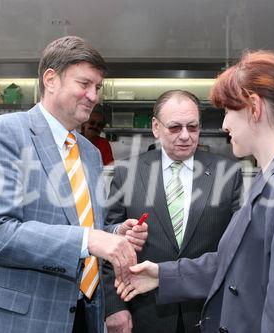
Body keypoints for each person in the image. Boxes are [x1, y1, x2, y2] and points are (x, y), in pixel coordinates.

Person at [117, 51, 274, 333]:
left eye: (227, 110)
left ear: (254, 108)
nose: (224, 124)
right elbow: (238, 264)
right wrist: (163, 274)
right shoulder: (273, 179)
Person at [0, 36, 148, 333]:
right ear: (51, 80)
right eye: (84, 84)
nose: (93, 96)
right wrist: (91, 239)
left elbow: (79, 224)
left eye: (98, 87)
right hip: (16, 321)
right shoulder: (4, 133)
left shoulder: (90, 153)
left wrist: (116, 233)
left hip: (81, 316)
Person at [104, 90, 243, 333]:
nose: (186, 136)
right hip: (145, 311)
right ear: (156, 127)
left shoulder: (228, 172)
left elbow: (239, 247)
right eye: (175, 128)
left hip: (207, 309)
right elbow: (106, 242)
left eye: (193, 127)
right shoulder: (127, 172)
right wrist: (114, 306)